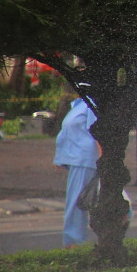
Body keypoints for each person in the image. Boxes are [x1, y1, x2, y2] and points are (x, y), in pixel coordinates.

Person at [55, 93, 100, 247]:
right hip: (77, 160)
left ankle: (73, 243)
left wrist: (104, 162)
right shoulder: (78, 104)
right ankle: (124, 217)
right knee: (93, 198)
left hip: (86, 161)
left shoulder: (91, 103)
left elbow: (98, 133)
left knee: (77, 204)